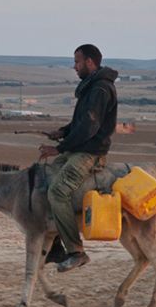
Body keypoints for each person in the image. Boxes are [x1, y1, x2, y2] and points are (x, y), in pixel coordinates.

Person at [38, 44, 119, 272]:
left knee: (58, 191)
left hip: (90, 153)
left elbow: (89, 129)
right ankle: (54, 245)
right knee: (45, 179)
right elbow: (80, 123)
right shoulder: (91, 87)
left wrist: (59, 148)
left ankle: (76, 251)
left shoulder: (100, 89)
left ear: (90, 62)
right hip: (79, 148)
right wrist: (62, 132)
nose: (74, 67)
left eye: (77, 62)